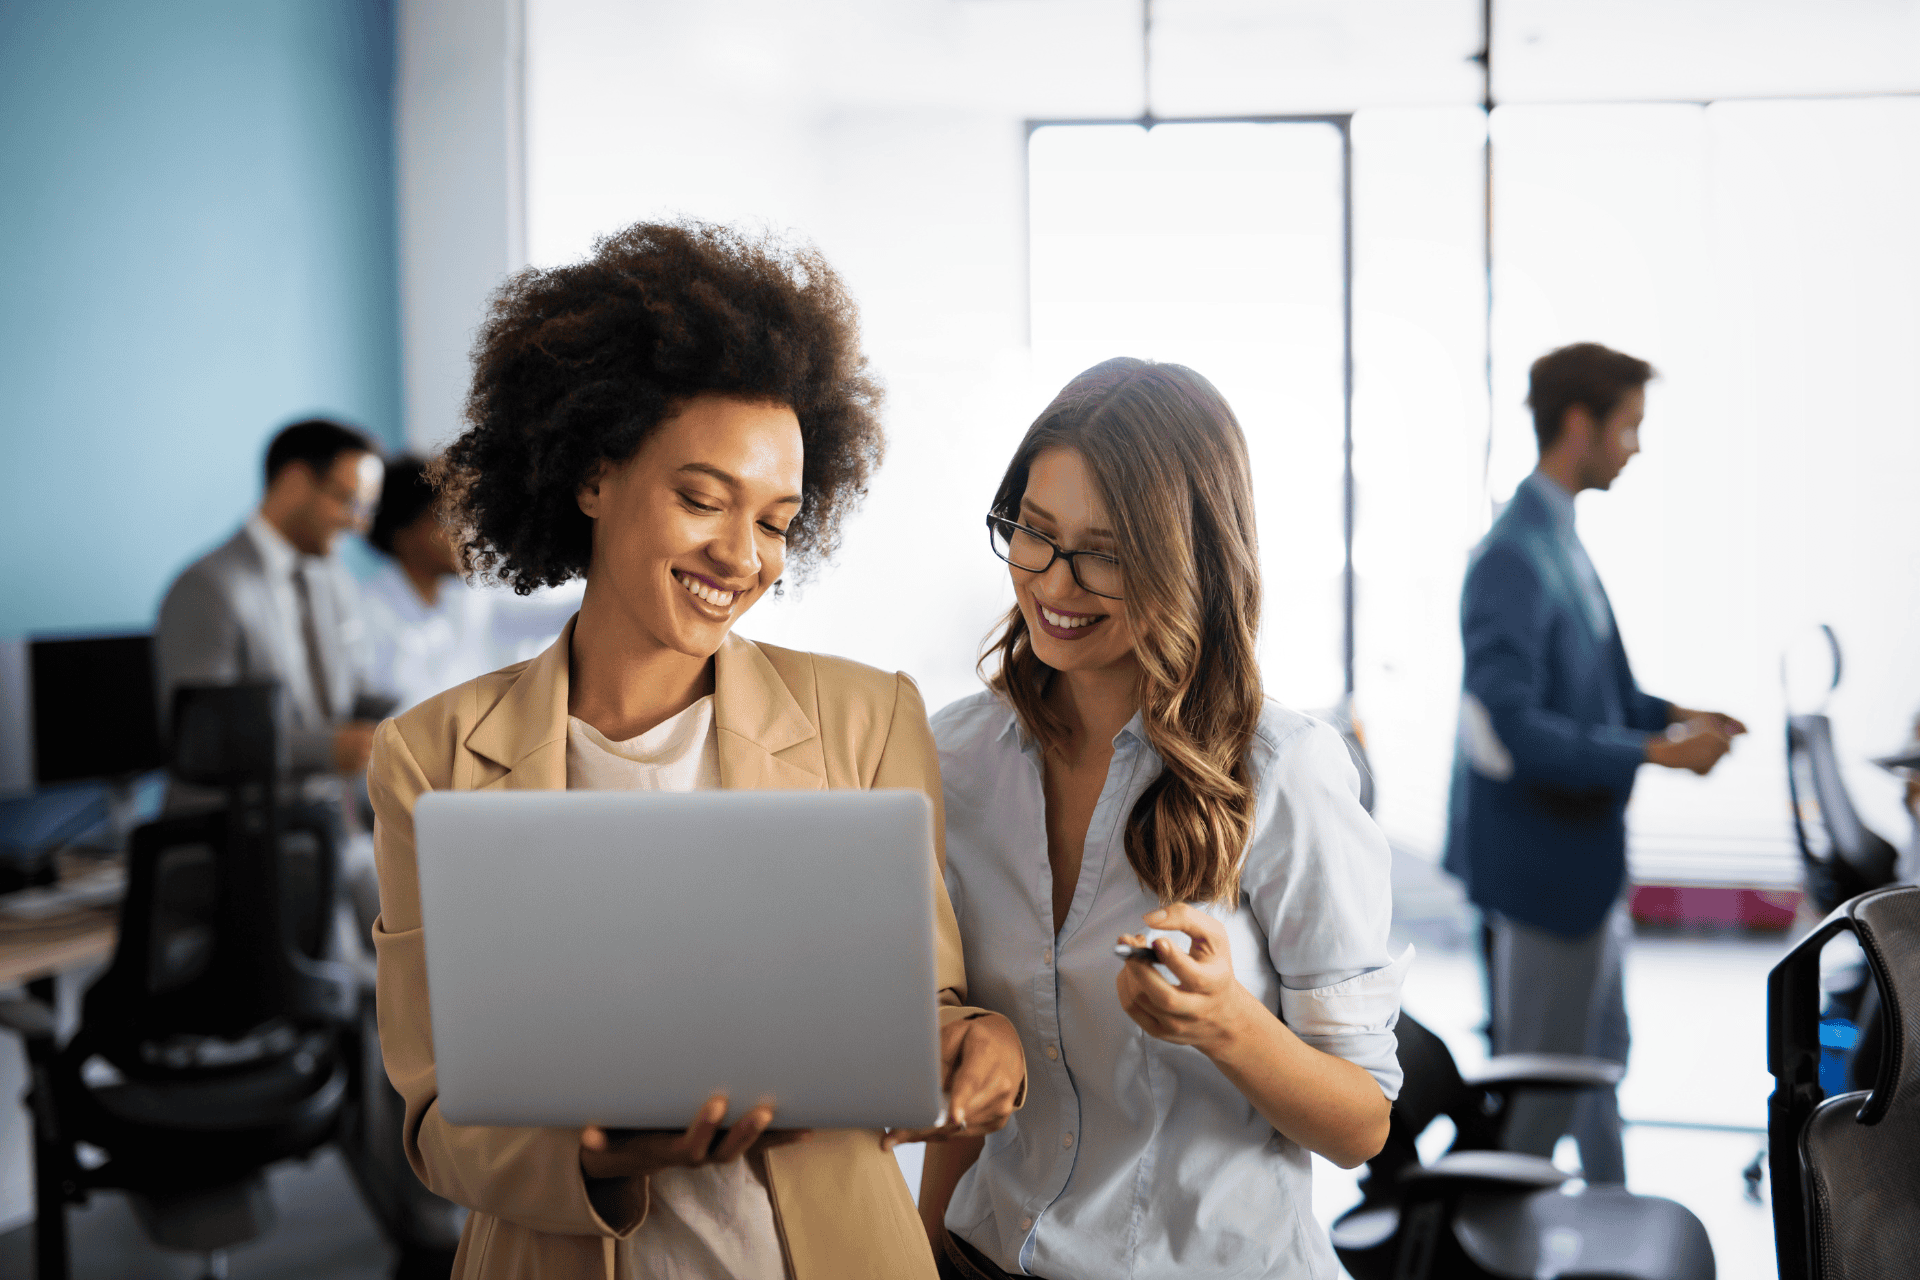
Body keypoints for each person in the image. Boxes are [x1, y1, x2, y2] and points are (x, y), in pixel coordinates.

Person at [366, 221, 1027, 1280]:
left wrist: (978, 1045)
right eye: (701, 497)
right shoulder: (431, 756)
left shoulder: (868, 718)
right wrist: (601, 1150)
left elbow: (923, 1009)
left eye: (776, 520)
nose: (742, 555)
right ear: (592, 474)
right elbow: (439, 1114)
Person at [922, 358, 1407, 1280]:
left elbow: (1361, 1126)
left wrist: (1227, 1022)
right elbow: (966, 1071)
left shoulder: (1285, 774)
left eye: (1104, 550)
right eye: (1034, 532)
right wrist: (919, 1252)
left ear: (1191, 560)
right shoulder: (954, 760)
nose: (1055, 584)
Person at [1443, 341, 1746, 1185]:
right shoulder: (1512, 553)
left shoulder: (1558, 537)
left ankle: (1616, 1229)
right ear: (1580, 425)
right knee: (1544, 1092)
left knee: (1598, 1066)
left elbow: (1598, 692)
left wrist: (1679, 718)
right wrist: (1659, 752)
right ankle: (1480, 1256)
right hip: (1545, 878)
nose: (1636, 447)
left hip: (1582, 868)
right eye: (1629, 427)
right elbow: (1515, 732)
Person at [155, 418, 388, 785]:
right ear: (294, 482)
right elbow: (206, 740)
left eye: (367, 509)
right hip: (242, 828)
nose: (358, 525)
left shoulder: (337, 580)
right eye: (348, 502)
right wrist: (326, 749)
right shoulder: (207, 587)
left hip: (333, 824)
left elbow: (352, 695)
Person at [362, 455, 500, 712]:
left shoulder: (468, 600)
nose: (466, 534)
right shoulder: (365, 616)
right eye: (448, 520)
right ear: (402, 534)